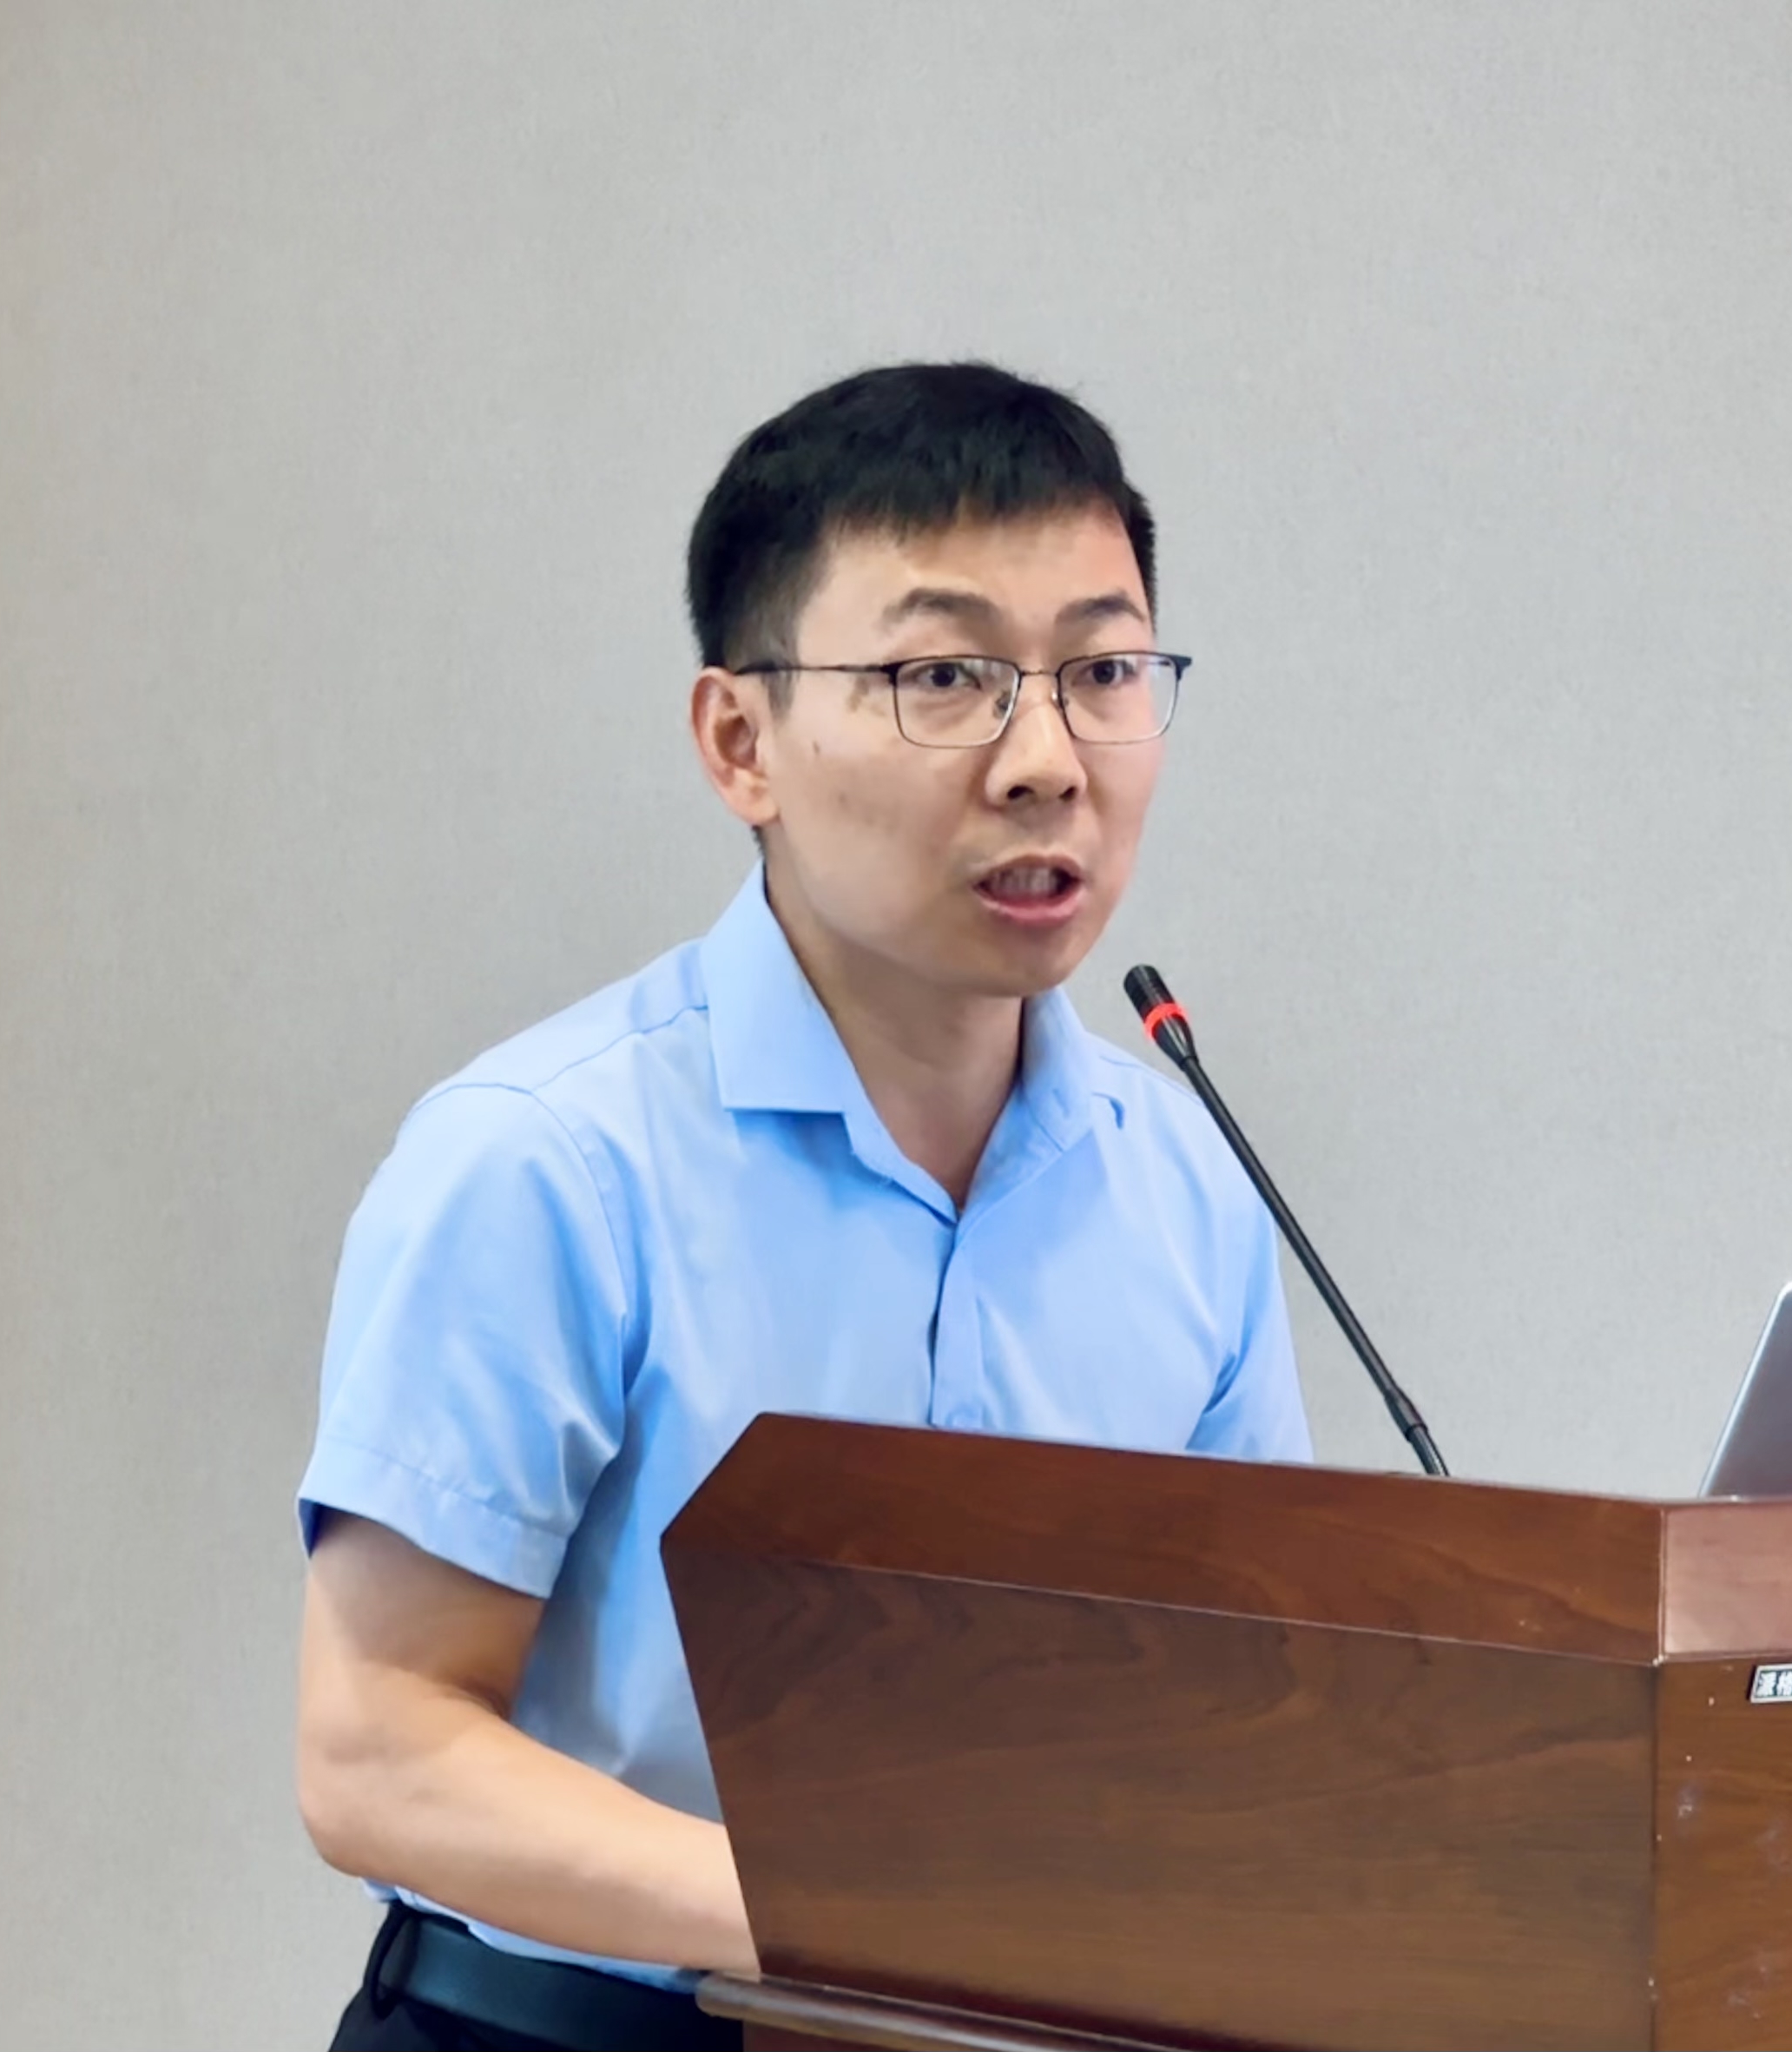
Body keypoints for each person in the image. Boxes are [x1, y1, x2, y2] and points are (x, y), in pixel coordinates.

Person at [294, 361, 1312, 2052]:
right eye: (943, 677)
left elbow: (1249, 1709)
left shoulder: (1184, 1186)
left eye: (1103, 672)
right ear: (739, 741)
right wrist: (864, 1923)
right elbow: (379, 1746)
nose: (1046, 761)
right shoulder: (549, 1161)